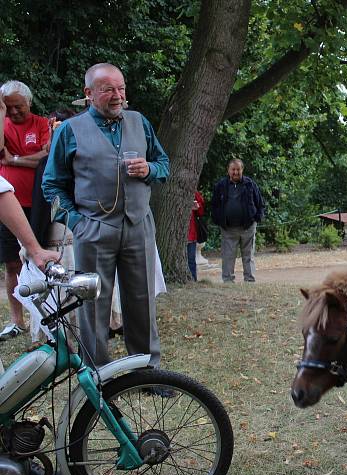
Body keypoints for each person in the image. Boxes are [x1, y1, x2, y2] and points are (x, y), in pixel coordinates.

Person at [42, 63, 170, 368]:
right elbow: (52, 184)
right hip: (94, 229)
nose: (118, 96)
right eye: (108, 89)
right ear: (88, 93)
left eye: (122, 88)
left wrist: (150, 169)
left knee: (141, 300)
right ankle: (97, 370)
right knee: (93, 303)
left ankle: (146, 369)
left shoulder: (139, 122)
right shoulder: (70, 130)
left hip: (138, 224)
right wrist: (76, 222)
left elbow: (163, 163)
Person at [0, 81, 51, 341]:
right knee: (12, 263)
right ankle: (16, 320)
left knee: (40, 261)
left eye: (18, 106)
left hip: (37, 204)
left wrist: (13, 160)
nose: (14, 112)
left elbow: (45, 157)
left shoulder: (42, 124)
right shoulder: (3, 124)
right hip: (7, 205)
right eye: (7, 108)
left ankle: (41, 318)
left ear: (29, 102)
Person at [210, 159, 264, 283]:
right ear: (228, 170)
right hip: (228, 228)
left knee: (248, 256)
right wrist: (218, 220)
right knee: (228, 256)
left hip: (248, 227)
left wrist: (256, 218)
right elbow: (214, 205)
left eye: (238, 169)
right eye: (233, 169)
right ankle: (228, 281)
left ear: (242, 170)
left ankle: (249, 280)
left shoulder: (250, 184)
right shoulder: (220, 185)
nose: (235, 172)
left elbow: (260, 203)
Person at [187, 191, 205, 281]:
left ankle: (193, 280)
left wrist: (197, 207)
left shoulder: (193, 191)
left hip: (191, 232)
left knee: (191, 260)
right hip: (182, 234)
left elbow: (201, 211)